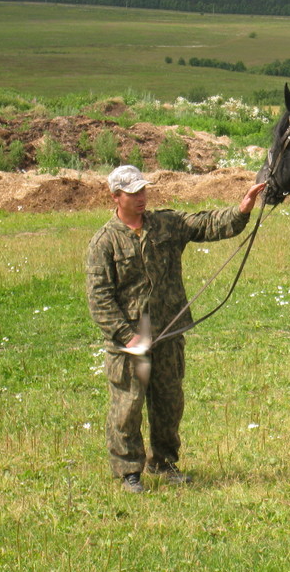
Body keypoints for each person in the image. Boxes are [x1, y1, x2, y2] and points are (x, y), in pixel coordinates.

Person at [86, 165, 265, 493]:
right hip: (129, 341)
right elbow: (99, 299)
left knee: (169, 401)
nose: (141, 197)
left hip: (168, 331)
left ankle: (164, 462)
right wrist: (128, 337)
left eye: (143, 190)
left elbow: (206, 224)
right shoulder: (104, 242)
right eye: (133, 193)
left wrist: (242, 209)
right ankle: (129, 471)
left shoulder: (166, 223)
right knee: (127, 405)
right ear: (115, 197)